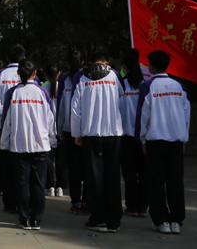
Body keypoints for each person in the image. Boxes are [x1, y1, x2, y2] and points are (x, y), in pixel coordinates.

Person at [136, 50, 190, 235]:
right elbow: (186, 115)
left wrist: (141, 139)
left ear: (151, 66)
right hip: (176, 141)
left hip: (155, 142)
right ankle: (176, 221)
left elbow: (143, 115)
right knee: (175, 182)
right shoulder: (179, 86)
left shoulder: (147, 86)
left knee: (156, 181)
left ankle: (161, 221)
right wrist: (183, 138)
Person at [70, 50, 125, 234]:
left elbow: (76, 108)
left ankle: (98, 218)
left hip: (91, 134)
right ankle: (114, 220)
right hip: (113, 133)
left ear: (90, 61)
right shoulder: (115, 77)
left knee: (94, 177)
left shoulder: (82, 78)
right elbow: (122, 102)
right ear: (106, 61)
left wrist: (77, 133)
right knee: (112, 176)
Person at [1, 59, 56, 230]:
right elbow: (50, 120)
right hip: (40, 146)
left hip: (19, 146)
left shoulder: (12, 93)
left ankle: (24, 218)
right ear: (35, 73)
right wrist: (52, 141)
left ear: (18, 73)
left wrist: (5, 143)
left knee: (22, 184)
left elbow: (6, 122)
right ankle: (36, 219)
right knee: (38, 185)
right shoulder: (41, 92)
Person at [0, 44, 26, 213]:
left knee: (7, 165)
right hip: (25, 126)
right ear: (24, 58)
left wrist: (4, 114)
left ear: (7, 57)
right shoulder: (30, 73)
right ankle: (23, 201)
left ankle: (9, 202)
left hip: (5, 127)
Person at [120, 49, 148, 218]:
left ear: (124, 66)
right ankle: (143, 206)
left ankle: (132, 206)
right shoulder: (145, 85)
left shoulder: (120, 84)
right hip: (144, 137)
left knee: (129, 173)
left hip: (126, 136)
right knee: (144, 172)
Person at [58, 49, 86, 215]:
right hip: (87, 131)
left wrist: (59, 130)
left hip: (69, 131)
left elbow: (61, 108)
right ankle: (87, 201)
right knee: (88, 168)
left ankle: (76, 201)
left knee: (74, 169)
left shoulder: (64, 80)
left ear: (67, 63)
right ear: (83, 62)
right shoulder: (87, 78)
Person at [41, 61, 65, 198]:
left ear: (45, 74)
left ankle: (50, 186)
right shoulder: (62, 87)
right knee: (61, 160)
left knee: (49, 160)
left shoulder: (42, 88)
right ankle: (60, 187)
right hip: (61, 128)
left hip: (47, 129)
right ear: (59, 74)